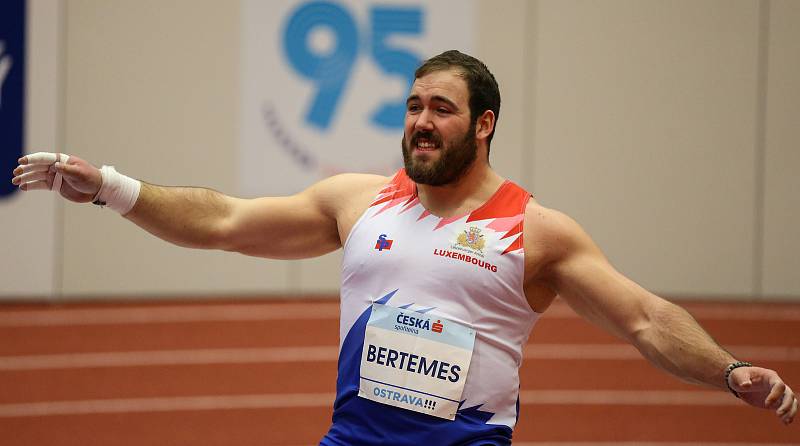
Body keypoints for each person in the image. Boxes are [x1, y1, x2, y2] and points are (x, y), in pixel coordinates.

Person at [10, 50, 797, 444]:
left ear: (483, 124)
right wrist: (110, 186)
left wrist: (729, 370)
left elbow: (645, 320)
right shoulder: (357, 201)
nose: (421, 121)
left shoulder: (538, 231)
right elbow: (222, 221)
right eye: (415, 105)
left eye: (443, 110)